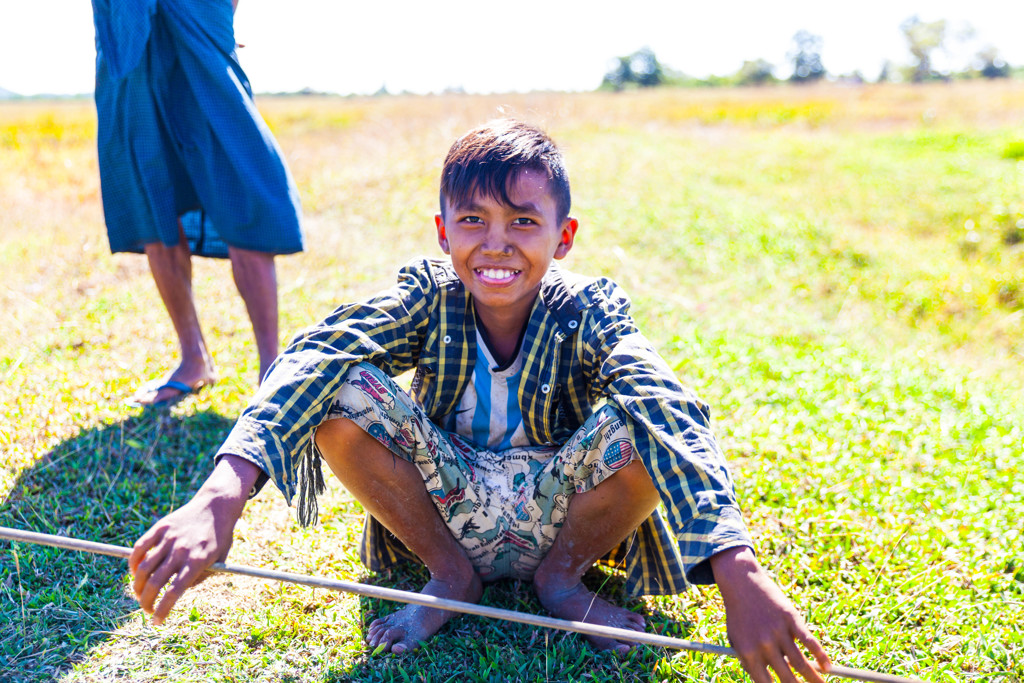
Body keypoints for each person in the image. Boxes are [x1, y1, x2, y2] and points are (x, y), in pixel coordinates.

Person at [129, 120, 831, 682]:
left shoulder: (590, 307)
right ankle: (451, 574)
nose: (496, 244)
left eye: (524, 223)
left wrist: (737, 565)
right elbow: (317, 352)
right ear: (442, 232)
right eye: (473, 220)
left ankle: (562, 581)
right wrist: (224, 490)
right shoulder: (425, 294)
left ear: (564, 237)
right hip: (443, 500)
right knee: (336, 385)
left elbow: (664, 402)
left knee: (651, 409)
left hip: (565, 512)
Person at [91, 0, 304, 406]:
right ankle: (194, 359)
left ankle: (270, 369)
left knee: (239, 176)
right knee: (151, 192)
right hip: (124, 23)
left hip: (198, 15)